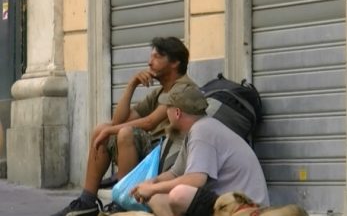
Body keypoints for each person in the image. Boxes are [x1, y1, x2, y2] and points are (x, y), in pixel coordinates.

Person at [53, 37, 197, 216]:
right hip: (153, 152)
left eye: (157, 57)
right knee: (104, 128)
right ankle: (87, 201)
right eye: (151, 56)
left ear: (175, 63)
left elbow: (149, 122)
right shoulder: (160, 92)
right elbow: (118, 121)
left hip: (169, 154)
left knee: (125, 133)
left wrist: (110, 130)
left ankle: (121, 203)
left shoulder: (182, 88)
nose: (149, 62)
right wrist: (132, 85)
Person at [129, 86, 269, 216]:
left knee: (180, 194)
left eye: (168, 108)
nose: (166, 114)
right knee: (156, 198)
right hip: (225, 201)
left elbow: (195, 180)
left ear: (177, 112)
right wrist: (151, 183)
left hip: (244, 207)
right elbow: (175, 173)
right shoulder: (198, 128)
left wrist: (154, 189)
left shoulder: (202, 131)